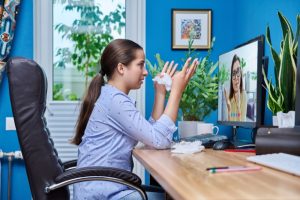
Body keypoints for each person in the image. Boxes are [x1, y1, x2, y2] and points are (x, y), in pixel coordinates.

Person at [72, 39, 198, 200]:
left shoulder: (111, 96)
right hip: (103, 194)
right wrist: (177, 92)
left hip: (104, 189)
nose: (145, 72)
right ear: (121, 68)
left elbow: (151, 137)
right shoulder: (115, 101)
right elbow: (159, 140)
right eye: (140, 65)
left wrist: (160, 93)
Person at [223, 54, 247, 121]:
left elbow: (242, 123)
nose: (236, 78)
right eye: (234, 73)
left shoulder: (244, 95)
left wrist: (238, 106)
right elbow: (229, 122)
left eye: (238, 72)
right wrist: (229, 109)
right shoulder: (228, 95)